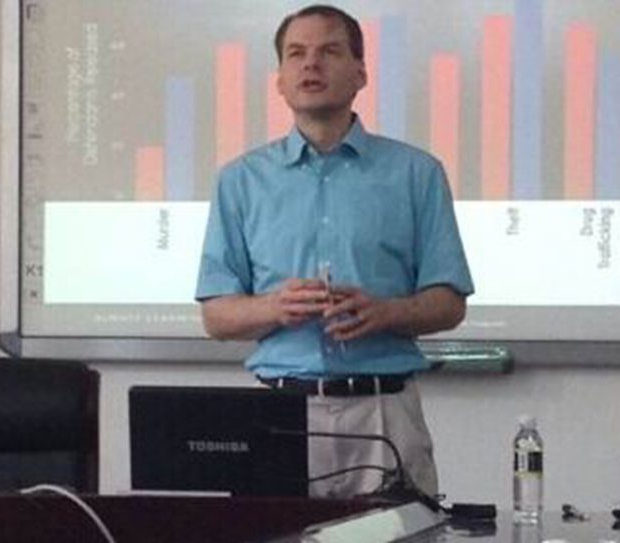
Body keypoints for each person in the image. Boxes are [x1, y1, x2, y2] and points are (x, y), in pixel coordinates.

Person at [195, 4, 474, 499]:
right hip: (279, 412)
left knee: (403, 533)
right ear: (280, 80)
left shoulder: (416, 173)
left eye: (329, 51)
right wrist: (274, 307)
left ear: (361, 73)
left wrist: (387, 312)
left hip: (384, 409)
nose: (311, 64)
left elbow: (449, 304)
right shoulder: (240, 181)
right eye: (296, 54)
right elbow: (216, 317)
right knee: (274, 534)